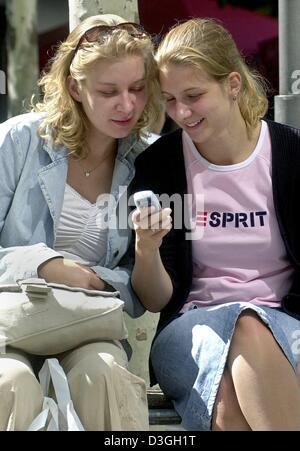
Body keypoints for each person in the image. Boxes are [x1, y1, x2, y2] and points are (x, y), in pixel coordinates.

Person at [130, 18, 300, 431]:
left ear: (233, 85)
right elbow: (155, 300)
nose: (181, 113)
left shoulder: (291, 153)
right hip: (190, 330)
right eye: (169, 100)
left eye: (194, 95)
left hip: (289, 322)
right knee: (245, 323)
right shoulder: (161, 165)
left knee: (227, 404)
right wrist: (146, 248)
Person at [0, 13, 161, 431]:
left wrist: (111, 270)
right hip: (10, 323)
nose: (127, 105)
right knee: (11, 381)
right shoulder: (19, 140)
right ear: (74, 87)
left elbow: (146, 293)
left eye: (138, 89)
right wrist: (46, 266)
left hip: (91, 327)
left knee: (105, 374)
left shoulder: (150, 158)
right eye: (108, 91)